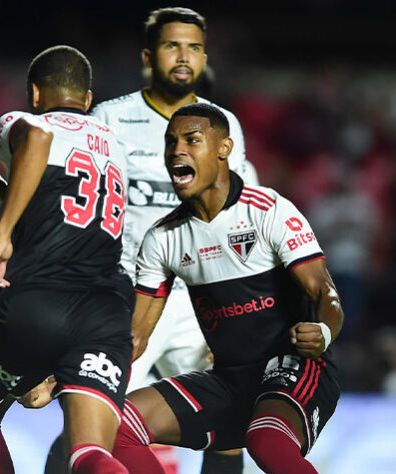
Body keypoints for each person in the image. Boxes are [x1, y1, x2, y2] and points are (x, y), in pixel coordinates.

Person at [101, 103, 341, 473]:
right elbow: (135, 335)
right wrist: (77, 372)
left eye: (192, 140)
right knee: (115, 426)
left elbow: (324, 292)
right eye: (171, 142)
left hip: (293, 369)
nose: (177, 150)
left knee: (266, 441)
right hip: (230, 381)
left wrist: (324, 330)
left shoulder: (269, 210)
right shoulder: (163, 238)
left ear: (224, 149)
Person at [0, 45, 134, 473]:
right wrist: (2, 188)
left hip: (41, 300)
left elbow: (37, 140)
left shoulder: (23, 122)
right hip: (106, 312)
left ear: (35, 93)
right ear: (88, 100)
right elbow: (70, 208)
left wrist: (2, 231)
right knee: (91, 453)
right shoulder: (114, 144)